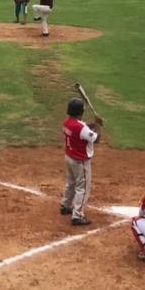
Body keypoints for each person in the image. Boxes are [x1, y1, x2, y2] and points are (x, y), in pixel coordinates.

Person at [60, 97, 100, 226]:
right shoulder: (81, 128)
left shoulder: (67, 123)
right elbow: (96, 138)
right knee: (83, 188)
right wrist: (98, 125)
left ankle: (66, 205)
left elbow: (81, 128)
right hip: (80, 161)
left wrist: (92, 125)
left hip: (69, 158)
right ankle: (77, 216)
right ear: (81, 112)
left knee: (70, 183)